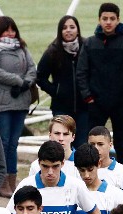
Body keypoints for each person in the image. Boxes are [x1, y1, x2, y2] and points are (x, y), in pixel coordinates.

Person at [0, 16, 37, 199]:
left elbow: (32, 68)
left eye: (13, 30)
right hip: (1, 103)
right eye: (6, 30)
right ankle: (0, 182)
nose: (10, 33)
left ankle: (12, 181)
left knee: (13, 144)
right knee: (3, 143)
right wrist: (19, 81)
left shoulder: (21, 47)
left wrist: (27, 82)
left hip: (21, 101)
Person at [76, 3, 123, 166]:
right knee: (93, 142)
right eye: (105, 18)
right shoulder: (90, 43)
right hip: (96, 102)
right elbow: (81, 72)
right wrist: (88, 97)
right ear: (99, 20)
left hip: (120, 103)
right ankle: (90, 173)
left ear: (118, 20)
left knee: (120, 142)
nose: (108, 22)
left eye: (112, 18)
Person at [36, 16, 89, 146]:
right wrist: (56, 91)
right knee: (61, 145)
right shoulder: (53, 51)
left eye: (72, 27)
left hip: (85, 108)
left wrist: (90, 93)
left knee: (82, 144)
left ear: (78, 29)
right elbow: (40, 77)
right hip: (61, 107)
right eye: (64, 28)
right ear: (60, 31)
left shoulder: (87, 48)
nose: (68, 31)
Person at [88, 126, 123, 205]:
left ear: (110, 145)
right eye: (92, 144)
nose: (96, 148)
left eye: (100, 144)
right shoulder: (80, 172)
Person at [26, 115, 79, 180]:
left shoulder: (82, 165)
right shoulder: (37, 166)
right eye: (57, 133)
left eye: (65, 134)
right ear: (50, 135)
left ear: (73, 137)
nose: (61, 138)